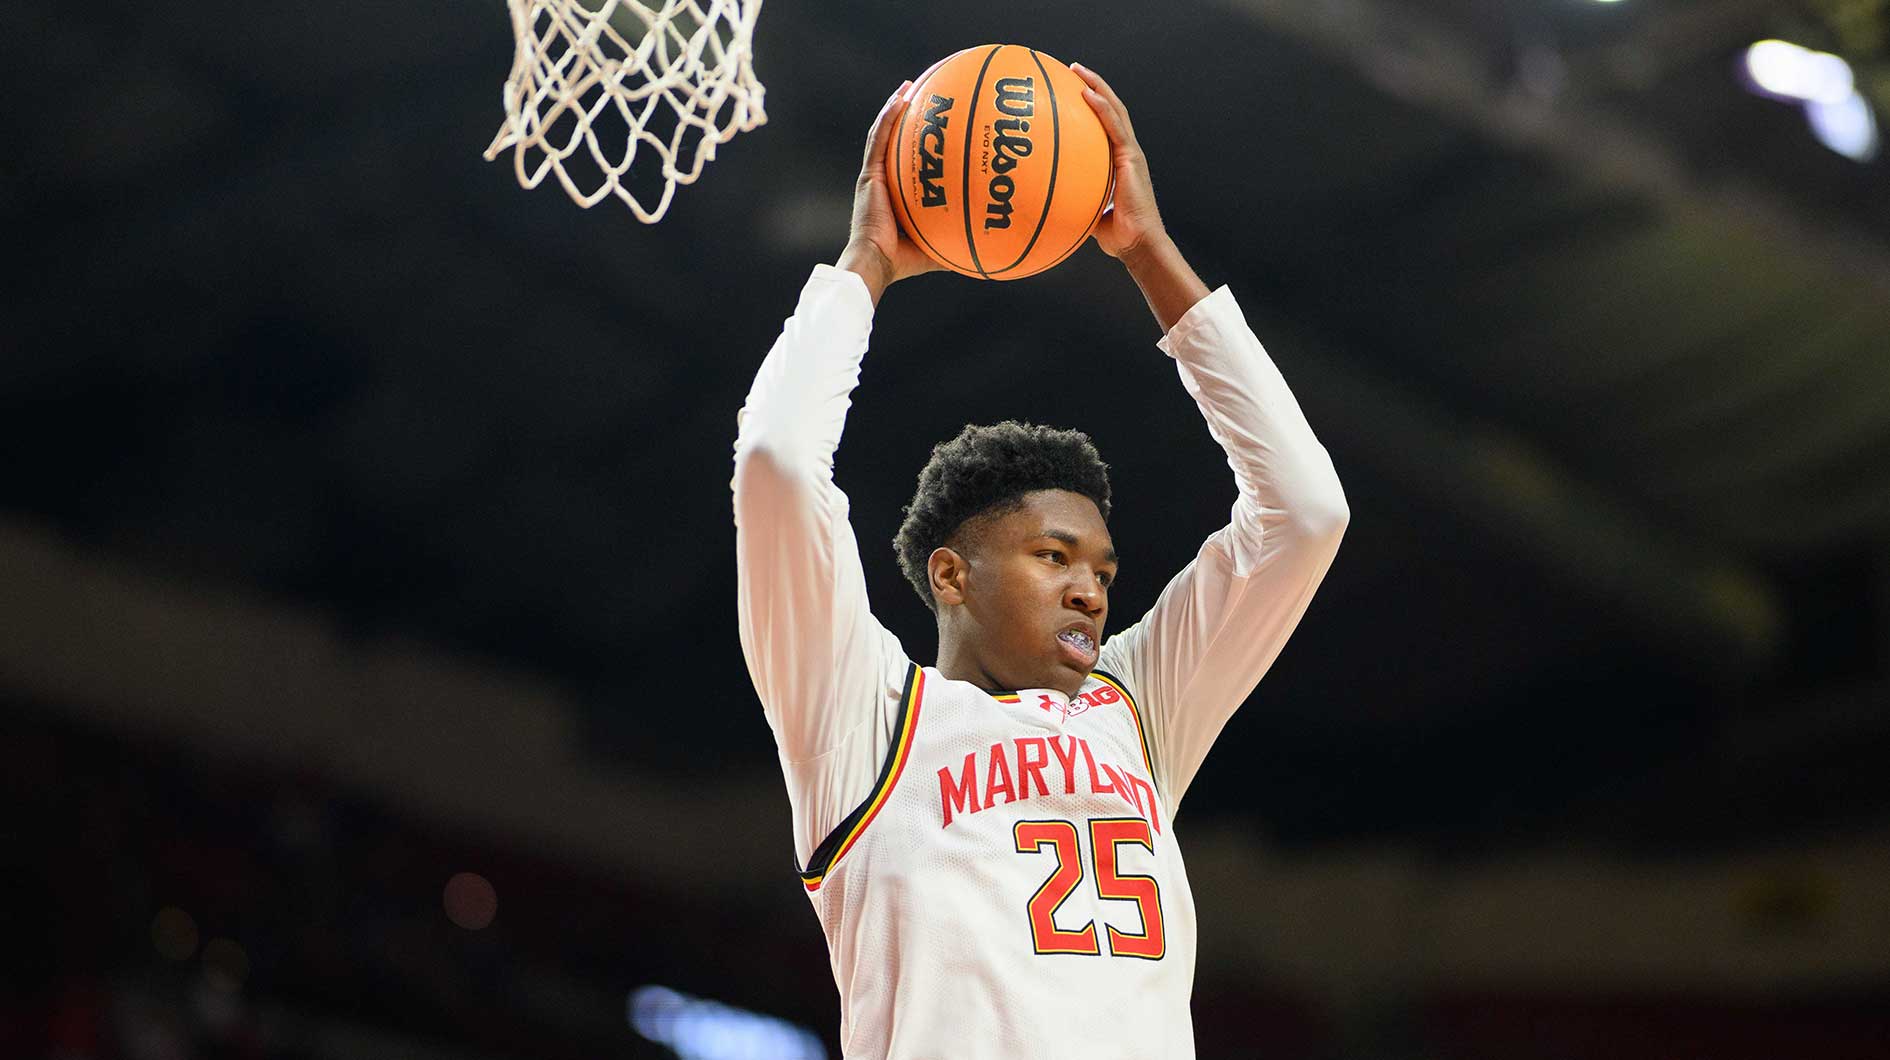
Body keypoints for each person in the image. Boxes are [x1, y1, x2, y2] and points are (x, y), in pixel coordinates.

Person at [733, 64, 1348, 1058]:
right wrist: (867, 266)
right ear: (951, 575)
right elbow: (774, 464)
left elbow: (1305, 513)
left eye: (1101, 568)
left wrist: (1150, 254)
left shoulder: (1136, 708)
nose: (1089, 588)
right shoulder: (863, 721)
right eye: (1053, 554)